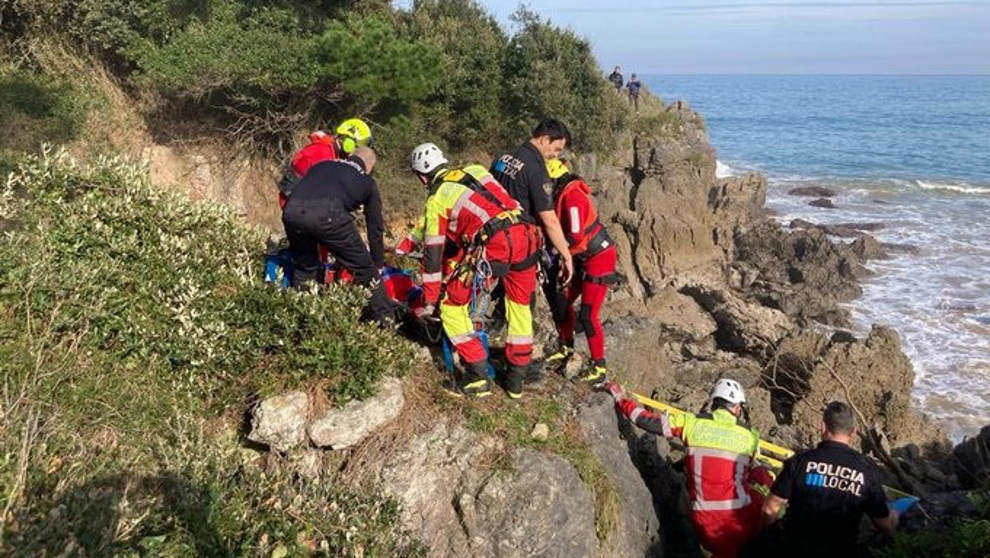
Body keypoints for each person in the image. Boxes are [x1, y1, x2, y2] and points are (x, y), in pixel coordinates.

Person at [409, 143, 542, 399]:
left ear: (422, 177)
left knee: (452, 305)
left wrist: (430, 299)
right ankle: (516, 379)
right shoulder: (477, 169)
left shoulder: (437, 199)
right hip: (528, 235)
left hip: (495, 244)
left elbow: (433, 254)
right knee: (519, 303)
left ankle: (476, 375)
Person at [604, 378, 775, 558]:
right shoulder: (750, 437)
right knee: (764, 483)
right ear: (738, 408)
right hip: (741, 523)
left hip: (702, 522)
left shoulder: (691, 423)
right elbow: (754, 473)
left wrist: (621, 398)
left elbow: (645, 421)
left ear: (714, 403)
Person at [760, 401, 898, 558]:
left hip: (793, 549)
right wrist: (895, 514)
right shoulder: (866, 470)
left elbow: (769, 509)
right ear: (853, 433)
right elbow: (885, 525)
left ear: (823, 427)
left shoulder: (799, 461)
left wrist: (767, 534)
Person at [281, 147, 390, 324]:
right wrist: (377, 264)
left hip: (291, 212)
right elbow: (375, 227)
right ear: (369, 166)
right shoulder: (367, 181)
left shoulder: (322, 165)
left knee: (305, 268)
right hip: (328, 214)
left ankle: (300, 321)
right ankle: (386, 325)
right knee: (365, 271)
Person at [542, 158, 618, 383]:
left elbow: (575, 237)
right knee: (562, 300)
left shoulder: (573, 198)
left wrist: (556, 254)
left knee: (588, 314)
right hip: (580, 256)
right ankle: (565, 346)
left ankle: (599, 367)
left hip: (598, 257)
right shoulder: (562, 195)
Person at [277, 118, 374, 209]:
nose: (358, 152)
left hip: (303, 203)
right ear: (348, 143)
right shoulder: (323, 153)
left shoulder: (333, 154)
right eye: (357, 147)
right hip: (294, 204)